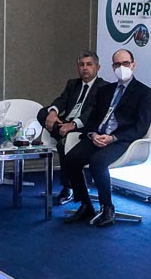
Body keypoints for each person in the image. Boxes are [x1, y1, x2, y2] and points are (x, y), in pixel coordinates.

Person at [62, 49, 151, 227]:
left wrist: (113, 138)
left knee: (97, 162)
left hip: (121, 140)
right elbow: (92, 120)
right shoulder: (105, 90)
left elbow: (141, 127)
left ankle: (107, 208)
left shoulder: (144, 92)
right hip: (98, 136)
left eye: (125, 63)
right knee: (71, 158)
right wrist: (93, 134)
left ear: (133, 65)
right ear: (112, 67)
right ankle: (85, 205)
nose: (121, 67)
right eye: (117, 64)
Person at [36, 51, 107, 204]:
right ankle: (61, 132)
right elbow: (62, 100)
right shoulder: (72, 84)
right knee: (42, 113)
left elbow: (93, 111)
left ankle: (68, 187)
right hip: (64, 122)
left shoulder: (104, 87)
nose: (85, 68)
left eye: (89, 64)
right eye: (81, 65)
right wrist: (53, 112)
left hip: (84, 127)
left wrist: (73, 124)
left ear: (98, 67)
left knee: (63, 143)